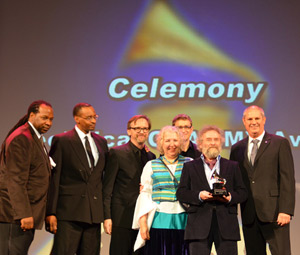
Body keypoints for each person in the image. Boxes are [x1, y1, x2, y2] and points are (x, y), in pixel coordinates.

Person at [230, 105, 295, 255]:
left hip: (275, 214)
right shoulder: (236, 148)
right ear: (244, 121)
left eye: (257, 118)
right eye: (250, 119)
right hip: (249, 214)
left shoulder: (279, 143)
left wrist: (285, 210)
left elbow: (287, 179)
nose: (254, 122)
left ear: (264, 120)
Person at [46, 103, 108, 255]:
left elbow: (102, 177)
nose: (93, 121)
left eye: (95, 117)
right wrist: (51, 212)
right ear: (77, 119)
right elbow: (55, 178)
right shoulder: (62, 141)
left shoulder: (101, 142)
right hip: (69, 212)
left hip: (93, 213)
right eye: (89, 118)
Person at [176, 125, 247, 255]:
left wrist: (230, 197)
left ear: (221, 142)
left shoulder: (232, 166)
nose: (213, 143)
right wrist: (199, 195)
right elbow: (181, 193)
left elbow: (242, 192)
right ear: (200, 143)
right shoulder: (190, 166)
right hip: (198, 225)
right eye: (209, 139)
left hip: (227, 225)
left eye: (216, 139)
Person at [0, 100, 54, 255]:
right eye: (44, 118)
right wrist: (24, 214)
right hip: (14, 216)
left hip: (22, 216)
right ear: (31, 115)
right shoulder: (22, 138)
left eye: (51, 119)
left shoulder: (33, 137)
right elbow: (15, 180)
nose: (48, 123)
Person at [132, 125, 193, 255]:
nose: (172, 144)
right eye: (167, 141)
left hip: (184, 219)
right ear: (161, 143)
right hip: (158, 219)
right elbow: (145, 195)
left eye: (175, 140)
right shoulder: (151, 165)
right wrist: (143, 224)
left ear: (181, 142)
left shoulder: (190, 163)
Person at [103, 115, 156, 255]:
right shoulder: (117, 153)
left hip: (143, 218)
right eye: (137, 128)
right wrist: (107, 217)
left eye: (145, 128)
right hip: (122, 217)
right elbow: (107, 187)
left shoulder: (151, 157)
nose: (141, 131)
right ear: (129, 131)